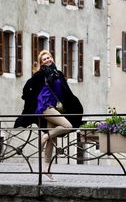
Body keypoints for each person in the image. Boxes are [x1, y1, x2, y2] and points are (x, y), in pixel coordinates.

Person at [14, 50, 83, 179]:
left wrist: (71, 103)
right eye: (44, 59)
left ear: (52, 58)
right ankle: (45, 137)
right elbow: (27, 89)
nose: (47, 60)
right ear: (41, 63)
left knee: (53, 138)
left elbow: (65, 92)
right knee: (67, 126)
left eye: (49, 58)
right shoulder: (40, 75)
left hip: (54, 107)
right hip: (44, 107)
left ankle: (46, 168)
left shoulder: (58, 74)